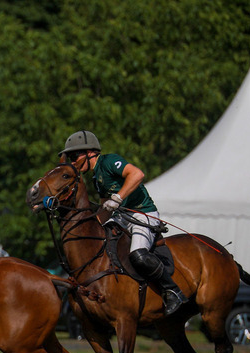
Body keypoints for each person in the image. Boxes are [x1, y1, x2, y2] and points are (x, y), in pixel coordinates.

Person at [59, 130, 188, 316]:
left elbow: (137, 174)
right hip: (121, 218)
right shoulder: (96, 177)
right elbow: (105, 209)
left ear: (89, 153)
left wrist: (118, 198)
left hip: (143, 214)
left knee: (138, 254)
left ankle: (173, 291)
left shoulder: (109, 161)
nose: (72, 162)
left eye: (74, 157)